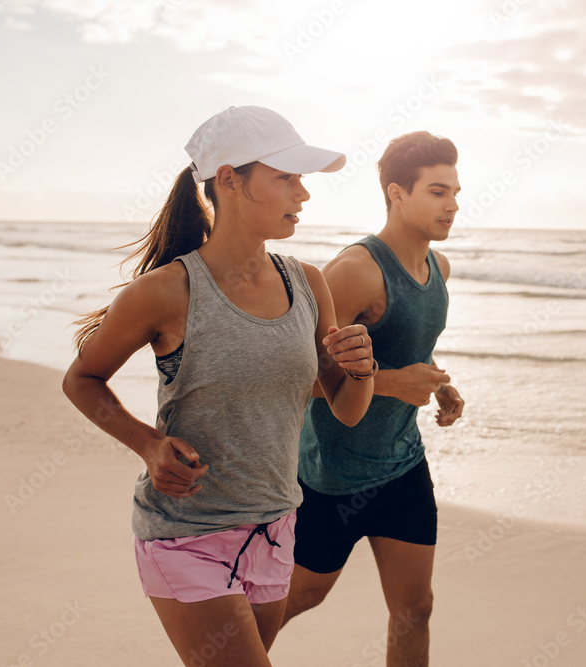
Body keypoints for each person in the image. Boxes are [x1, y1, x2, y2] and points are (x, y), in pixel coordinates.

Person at [62, 106, 376, 667]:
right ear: (229, 179)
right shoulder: (165, 292)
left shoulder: (307, 283)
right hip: (186, 533)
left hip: (277, 525)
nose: (302, 194)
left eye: (301, 179)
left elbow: (348, 410)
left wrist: (361, 369)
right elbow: (82, 379)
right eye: (285, 177)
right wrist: (148, 444)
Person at [282, 131, 464, 666]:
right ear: (396, 193)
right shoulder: (357, 271)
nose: (452, 205)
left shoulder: (439, 270)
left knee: (415, 608)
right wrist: (392, 383)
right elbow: (296, 371)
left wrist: (435, 382)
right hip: (331, 476)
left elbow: (408, 349)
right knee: (300, 597)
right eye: (437, 191)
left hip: (403, 467)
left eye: (455, 191)